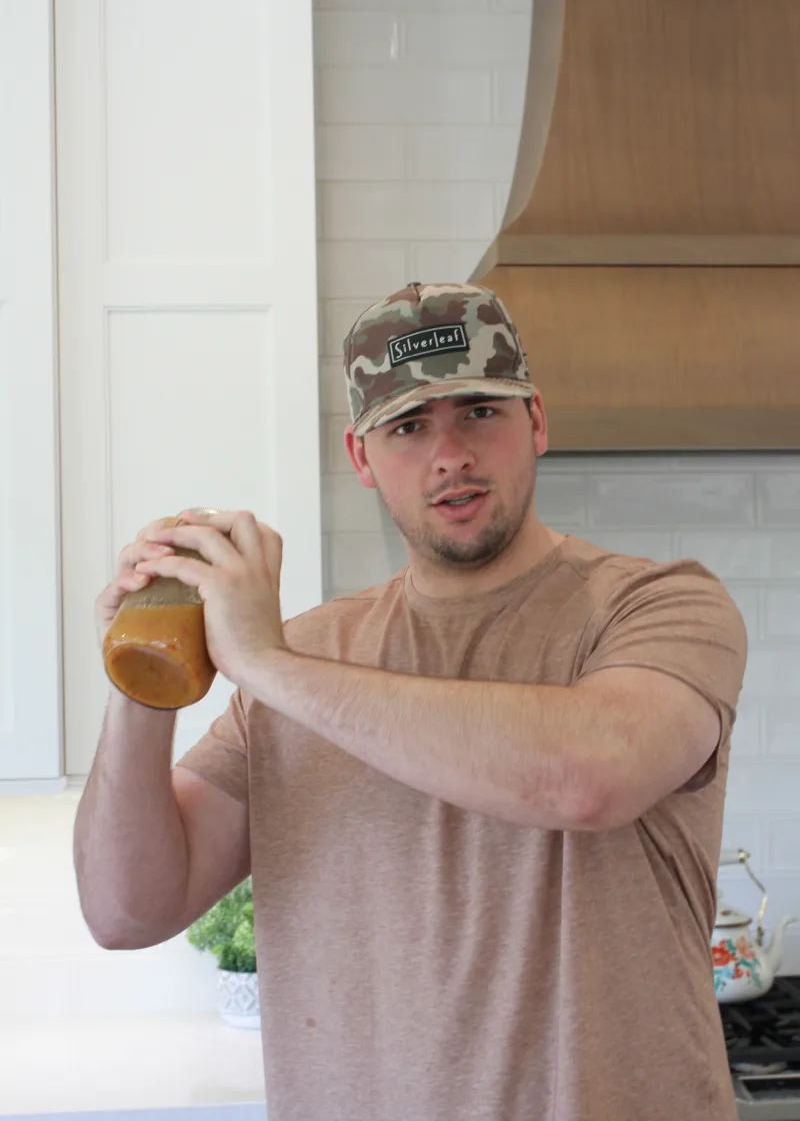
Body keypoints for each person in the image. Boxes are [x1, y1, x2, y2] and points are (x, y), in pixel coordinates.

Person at [74, 282, 748, 1121]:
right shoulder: (309, 659)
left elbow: (587, 778)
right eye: (408, 427)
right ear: (362, 459)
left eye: (480, 412)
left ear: (535, 420)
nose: (450, 454)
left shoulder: (659, 605)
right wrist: (140, 686)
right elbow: (124, 910)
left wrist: (266, 663)